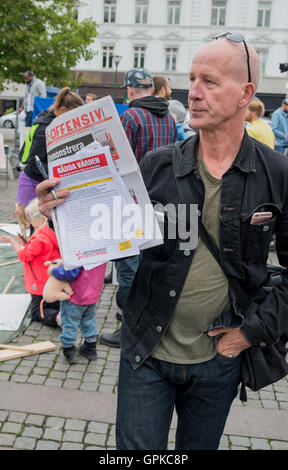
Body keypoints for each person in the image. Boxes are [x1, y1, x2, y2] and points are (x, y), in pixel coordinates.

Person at [36, 34, 288, 450]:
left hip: (218, 359)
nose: (195, 92)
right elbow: (104, 235)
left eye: (209, 81)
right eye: (192, 79)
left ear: (246, 93)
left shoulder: (275, 174)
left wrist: (249, 334)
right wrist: (59, 215)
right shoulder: (157, 166)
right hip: (146, 353)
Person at [99, 67, 178, 348]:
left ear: (129, 90)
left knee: (129, 267)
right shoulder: (168, 117)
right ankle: (152, 324)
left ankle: (128, 328)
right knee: (150, 265)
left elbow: (119, 162)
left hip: (130, 202)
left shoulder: (131, 116)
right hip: (159, 202)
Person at [16, 87, 83, 230]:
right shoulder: (45, 130)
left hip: (37, 182)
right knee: (35, 229)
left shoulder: (49, 119)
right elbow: (35, 162)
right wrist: (60, 174)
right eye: (74, 114)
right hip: (32, 183)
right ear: (64, 110)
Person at [0, 198, 61, 327]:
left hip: (41, 284)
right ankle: (62, 310)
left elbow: (24, 255)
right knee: (54, 301)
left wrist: (12, 242)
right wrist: (25, 242)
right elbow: (37, 250)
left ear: (37, 218)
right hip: (55, 281)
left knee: (38, 312)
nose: (28, 220)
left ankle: (58, 318)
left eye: (29, 216)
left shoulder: (39, 238)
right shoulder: (51, 231)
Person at [49, 261, 106, 364]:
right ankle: (90, 347)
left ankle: (69, 349)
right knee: (89, 321)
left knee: (69, 323)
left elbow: (70, 272)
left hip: (75, 297)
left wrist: (53, 270)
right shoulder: (100, 252)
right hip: (92, 296)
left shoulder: (79, 250)